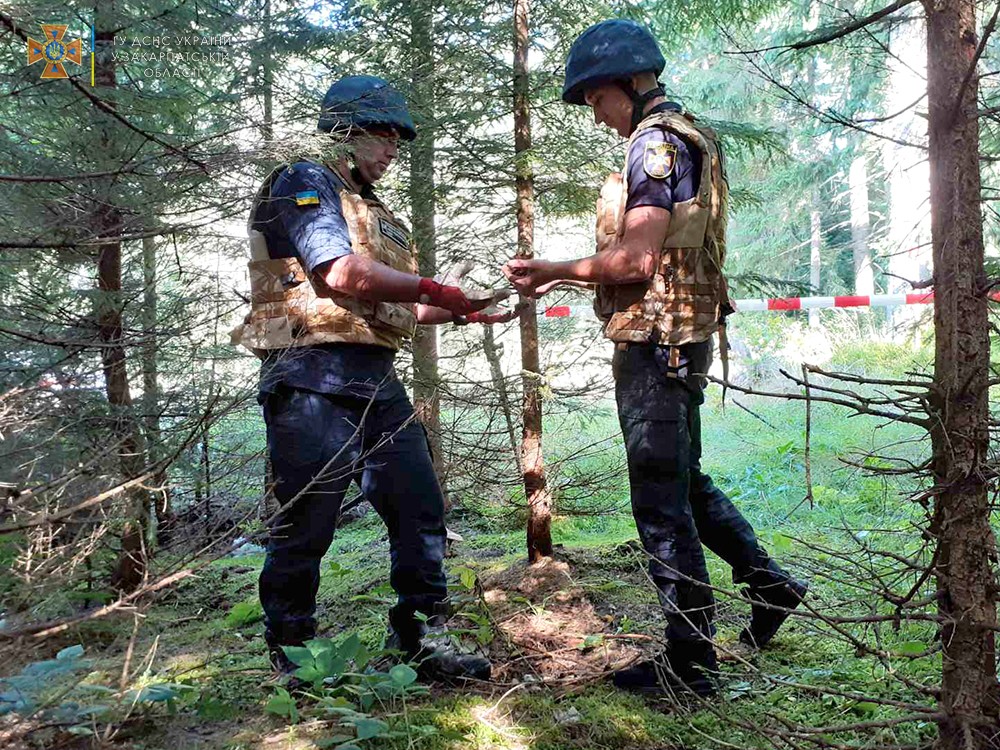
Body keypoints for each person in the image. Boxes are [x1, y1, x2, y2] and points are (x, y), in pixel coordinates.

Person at [503, 20, 807, 697]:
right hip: (679, 337)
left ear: (629, 83)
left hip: (658, 343)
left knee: (660, 503)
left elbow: (635, 260)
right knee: (684, 482)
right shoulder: (683, 132)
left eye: (595, 99)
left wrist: (554, 269)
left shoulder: (655, 143)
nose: (596, 115)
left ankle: (690, 665)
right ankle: (770, 584)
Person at [233, 75, 508, 683]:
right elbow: (336, 272)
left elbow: (393, 308)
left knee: (419, 506)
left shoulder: (374, 209)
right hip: (309, 375)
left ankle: (421, 637)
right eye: (382, 137)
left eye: (396, 141)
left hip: (374, 378)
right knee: (307, 521)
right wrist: (435, 287)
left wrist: (463, 309)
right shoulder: (302, 179)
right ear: (345, 131)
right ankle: (293, 656)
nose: (391, 152)